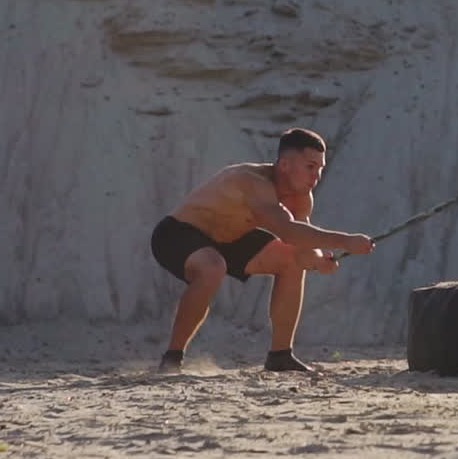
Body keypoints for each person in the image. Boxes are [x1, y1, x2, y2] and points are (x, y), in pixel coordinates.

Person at [150, 128, 374, 373]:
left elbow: (302, 248)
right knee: (212, 267)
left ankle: (280, 355)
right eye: (310, 167)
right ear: (285, 165)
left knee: (291, 261)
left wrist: (320, 260)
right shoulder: (251, 181)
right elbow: (289, 232)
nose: (317, 175)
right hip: (176, 234)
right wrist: (346, 241)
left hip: (231, 239)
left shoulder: (302, 198)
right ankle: (172, 358)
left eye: (320, 168)